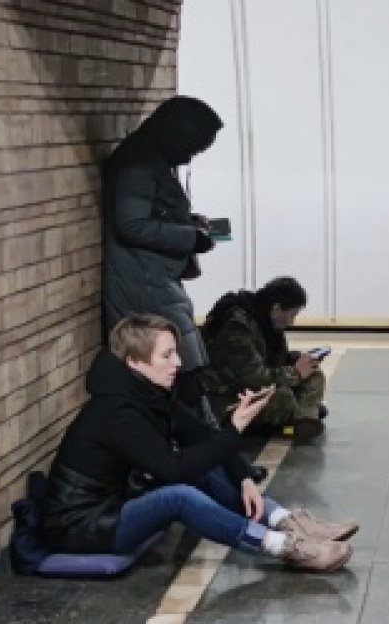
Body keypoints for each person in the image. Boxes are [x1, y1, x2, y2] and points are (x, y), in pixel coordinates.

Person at [41, 315, 358, 571]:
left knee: (203, 466)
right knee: (179, 495)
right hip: (83, 526)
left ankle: (284, 520)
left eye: (175, 352)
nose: (177, 362)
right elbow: (173, 471)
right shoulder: (116, 412)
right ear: (135, 363)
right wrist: (235, 429)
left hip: (116, 502)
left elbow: (203, 436)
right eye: (166, 355)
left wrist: (243, 475)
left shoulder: (150, 391)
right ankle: (284, 546)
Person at [99, 95, 223, 425]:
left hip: (155, 279)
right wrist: (190, 237)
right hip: (146, 286)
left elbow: (149, 214)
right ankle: (209, 459)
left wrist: (188, 223)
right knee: (185, 374)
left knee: (190, 373)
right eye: (194, 147)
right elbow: (131, 224)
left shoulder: (147, 159)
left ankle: (214, 458)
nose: (190, 157)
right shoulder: (137, 166)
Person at [201, 277, 327, 444]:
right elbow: (254, 379)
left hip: (250, 387)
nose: (292, 322)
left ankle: (302, 420)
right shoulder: (236, 327)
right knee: (283, 399)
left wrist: (301, 360)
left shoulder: (265, 323)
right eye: (291, 315)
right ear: (276, 309)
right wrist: (296, 372)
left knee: (314, 376)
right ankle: (299, 417)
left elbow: (274, 359)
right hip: (225, 397)